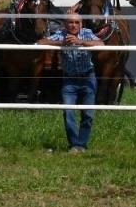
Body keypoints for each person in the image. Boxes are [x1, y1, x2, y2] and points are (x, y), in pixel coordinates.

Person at [37, 12, 103, 151]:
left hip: (88, 78)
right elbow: (41, 42)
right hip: (69, 80)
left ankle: (81, 144)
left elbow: (100, 43)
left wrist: (81, 42)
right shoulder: (61, 34)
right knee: (68, 112)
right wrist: (60, 43)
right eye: (70, 22)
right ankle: (74, 144)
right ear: (65, 24)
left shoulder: (86, 33)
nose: (73, 25)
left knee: (88, 114)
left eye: (76, 23)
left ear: (81, 24)